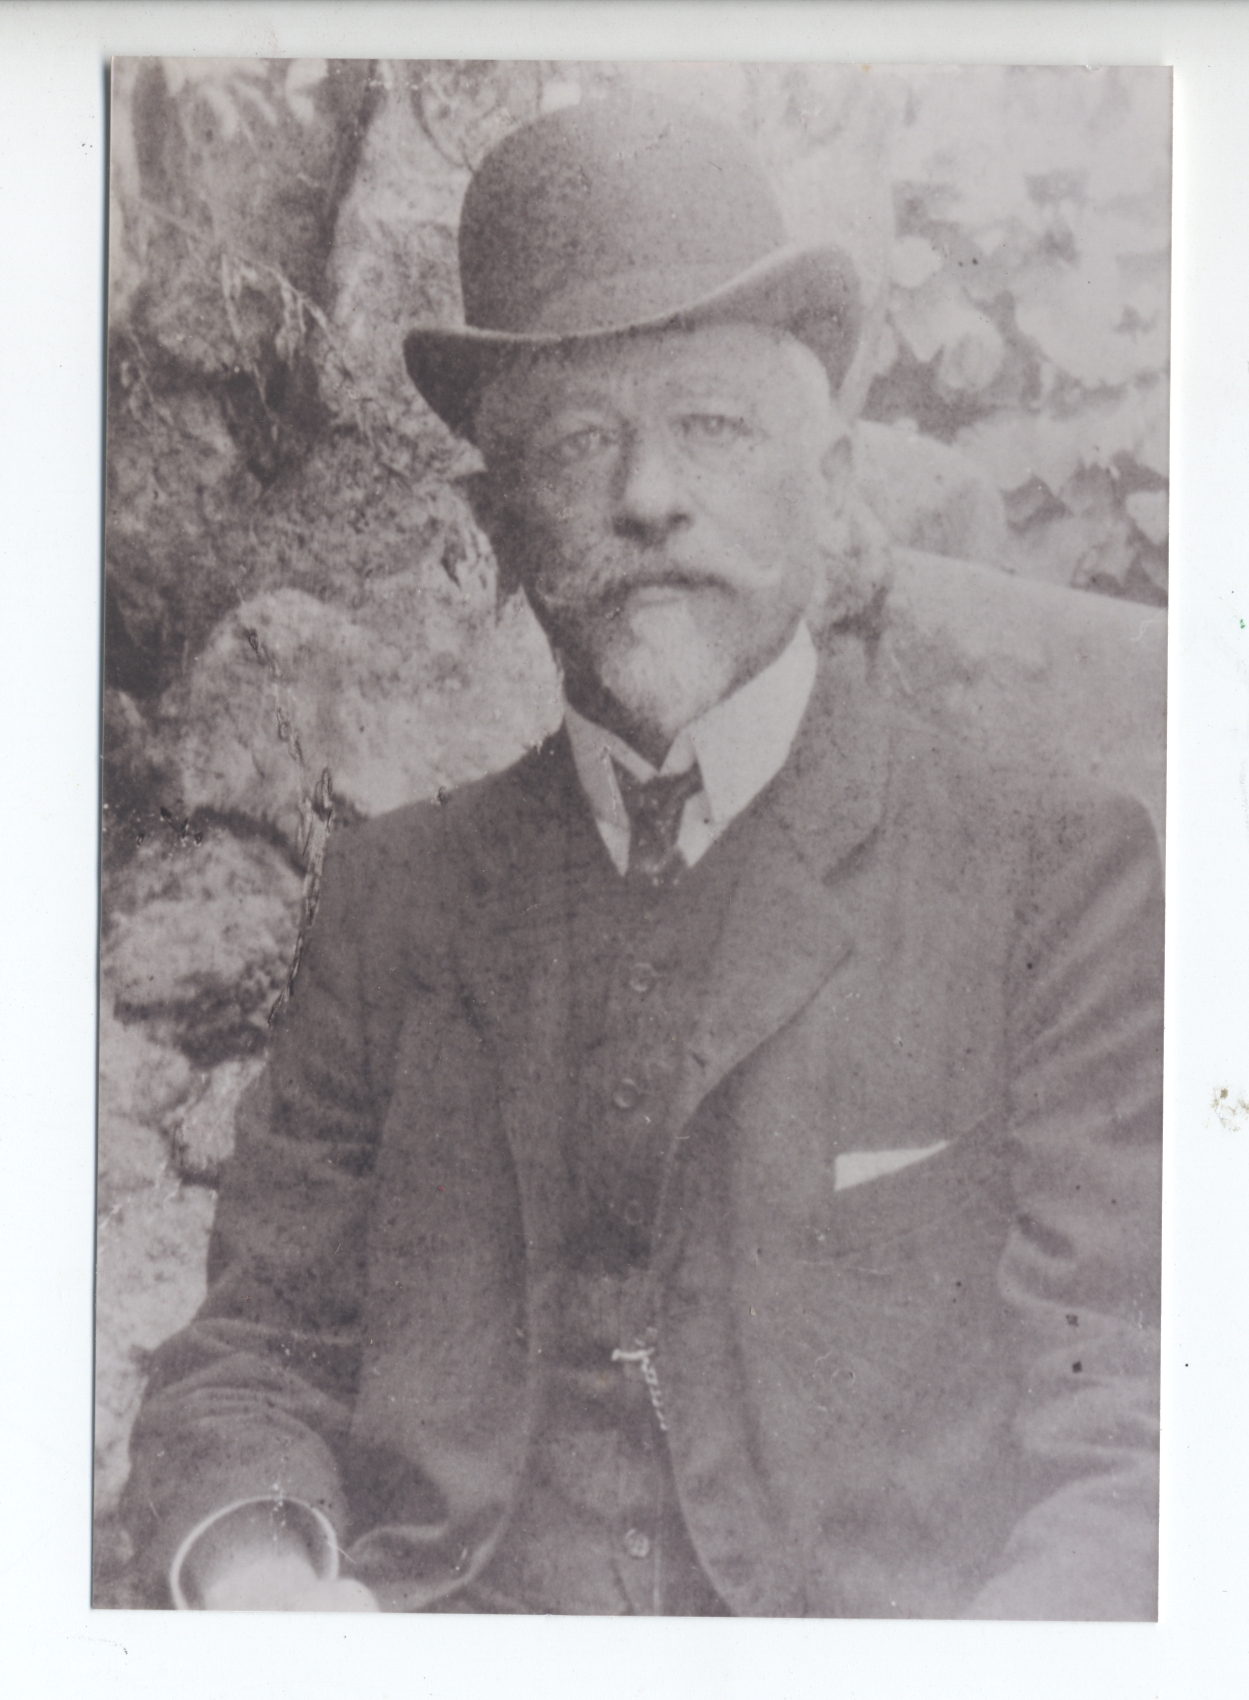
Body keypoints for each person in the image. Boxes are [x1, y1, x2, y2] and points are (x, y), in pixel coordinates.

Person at [122, 93, 1163, 1619]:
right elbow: (250, 1357)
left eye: (714, 429)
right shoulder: (396, 902)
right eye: (579, 444)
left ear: (831, 482)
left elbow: (1134, 1435)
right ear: (491, 529)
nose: (649, 496)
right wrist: (270, 1586)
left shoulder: (1048, 876)